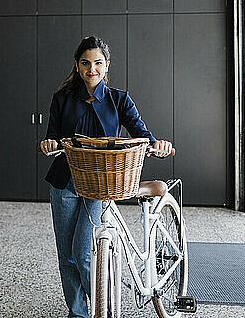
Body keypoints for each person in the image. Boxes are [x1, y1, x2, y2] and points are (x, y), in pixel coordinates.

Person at [39, 36, 173, 318]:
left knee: (83, 252)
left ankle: (104, 308)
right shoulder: (61, 99)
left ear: (106, 65)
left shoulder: (119, 99)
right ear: (77, 66)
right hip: (64, 181)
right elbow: (52, 137)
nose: (92, 69)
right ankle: (78, 313)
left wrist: (156, 144)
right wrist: (48, 144)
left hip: (99, 184)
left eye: (98, 63)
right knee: (67, 256)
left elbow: (141, 133)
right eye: (85, 63)